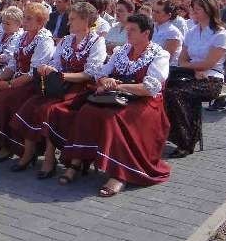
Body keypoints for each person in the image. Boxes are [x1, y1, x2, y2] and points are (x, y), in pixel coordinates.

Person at [59, 13, 171, 197]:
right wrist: (106, 79)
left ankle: (120, 174)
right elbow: (101, 73)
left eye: (133, 30)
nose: (128, 34)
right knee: (86, 111)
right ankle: (76, 162)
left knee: (114, 118)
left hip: (145, 103)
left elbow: (150, 88)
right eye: (127, 29)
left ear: (146, 33)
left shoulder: (159, 54)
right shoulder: (121, 51)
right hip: (117, 97)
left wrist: (119, 85)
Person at [5, 1, 106, 178]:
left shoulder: (97, 41)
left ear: (85, 20)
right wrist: (48, 68)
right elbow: (55, 63)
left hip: (80, 88)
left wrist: (62, 76)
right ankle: (28, 153)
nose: (69, 23)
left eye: (73, 19)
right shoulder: (67, 40)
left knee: (51, 110)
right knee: (31, 105)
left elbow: (90, 73)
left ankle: (49, 158)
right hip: (59, 85)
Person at [0, 3, 55, 162]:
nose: (25, 21)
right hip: (18, 79)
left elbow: (33, 74)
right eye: (25, 17)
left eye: (29, 18)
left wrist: (9, 85)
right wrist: (1, 79)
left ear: (40, 21)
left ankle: (13, 146)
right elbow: (12, 64)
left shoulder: (44, 40)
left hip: (33, 84)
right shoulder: (23, 36)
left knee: (5, 98)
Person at [165, 0, 226, 157]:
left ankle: (186, 141)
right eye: (192, 8)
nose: (193, 12)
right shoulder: (192, 32)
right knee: (166, 89)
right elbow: (182, 60)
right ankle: (181, 136)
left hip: (212, 79)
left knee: (176, 94)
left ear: (209, 11)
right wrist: (194, 69)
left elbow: (209, 64)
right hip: (192, 76)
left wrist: (193, 66)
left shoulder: (221, 34)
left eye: (197, 9)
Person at [0, 6, 23, 71]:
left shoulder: (20, 37)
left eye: (8, 24)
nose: (4, 25)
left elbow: (6, 57)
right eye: (3, 22)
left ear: (18, 24)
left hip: (5, 73)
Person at [151, 0, 183, 66]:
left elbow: (166, 58)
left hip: (168, 69)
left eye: (157, 12)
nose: (153, 14)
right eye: (153, 10)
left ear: (168, 15)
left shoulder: (172, 32)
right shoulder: (152, 27)